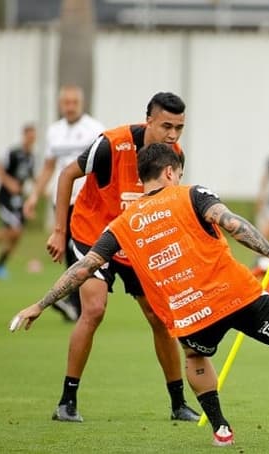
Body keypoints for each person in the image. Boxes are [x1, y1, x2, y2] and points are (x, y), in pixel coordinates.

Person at [10, 143, 269, 447]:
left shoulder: (121, 224)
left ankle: (221, 426)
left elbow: (83, 267)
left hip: (192, 313)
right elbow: (233, 224)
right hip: (239, 295)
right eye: (178, 171)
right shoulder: (190, 193)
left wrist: (40, 304)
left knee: (196, 356)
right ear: (169, 172)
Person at [42, 92, 200, 423]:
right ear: (149, 120)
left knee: (159, 318)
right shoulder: (112, 144)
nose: (172, 135)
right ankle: (66, 401)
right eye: (166, 126)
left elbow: (168, 205)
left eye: (179, 128)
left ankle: (178, 403)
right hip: (93, 234)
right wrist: (59, 231)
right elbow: (67, 175)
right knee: (95, 309)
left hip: (137, 241)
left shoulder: (174, 155)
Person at [24, 85, 105, 321]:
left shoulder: (94, 129)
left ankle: (76, 304)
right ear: (61, 104)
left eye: (74, 103)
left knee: (79, 251)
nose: (69, 107)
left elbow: (102, 167)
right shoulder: (54, 132)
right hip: (61, 202)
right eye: (66, 103)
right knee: (67, 251)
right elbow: (49, 167)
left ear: (81, 104)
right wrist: (33, 196)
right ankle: (76, 305)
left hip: (87, 203)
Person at [0, 124, 36, 279]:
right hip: (5, 199)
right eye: (29, 136)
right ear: (24, 136)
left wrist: (37, 195)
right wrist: (9, 182)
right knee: (13, 230)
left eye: (33, 137)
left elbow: (32, 178)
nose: (31, 140)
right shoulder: (13, 153)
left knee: (16, 235)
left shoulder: (31, 157)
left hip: (18, 201)